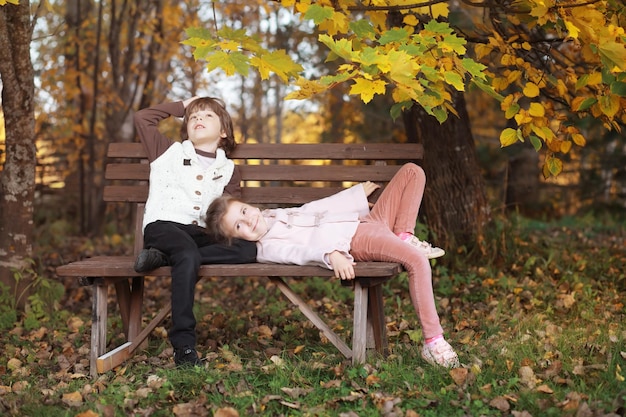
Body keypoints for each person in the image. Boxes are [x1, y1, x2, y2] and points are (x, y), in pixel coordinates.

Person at [205, 163, 460, 368]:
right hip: (357, 239)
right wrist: (332, 254)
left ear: (251, 207)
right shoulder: (267, 247)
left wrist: (357, 194)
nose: (248, 221)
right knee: (416, 260)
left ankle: (404, 235)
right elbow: (300, 253)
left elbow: (316, 208)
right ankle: (433, 341)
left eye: (244, 212)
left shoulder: (274, 216)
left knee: (412, 171)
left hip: (368, 221)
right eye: (238, 226)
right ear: (236, 239)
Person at [133, 96, 257, 368]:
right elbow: (142, 118)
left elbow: (228, 215)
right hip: (163, 226)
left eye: (208, 116)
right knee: (187, 254)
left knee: (248, 249)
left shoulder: (229, 170)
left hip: (198, 233)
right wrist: (182, 105)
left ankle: (165, 257)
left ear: (223, 132)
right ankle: (184, 346)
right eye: (193, 117)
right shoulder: (168, 151)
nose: (198, 119)